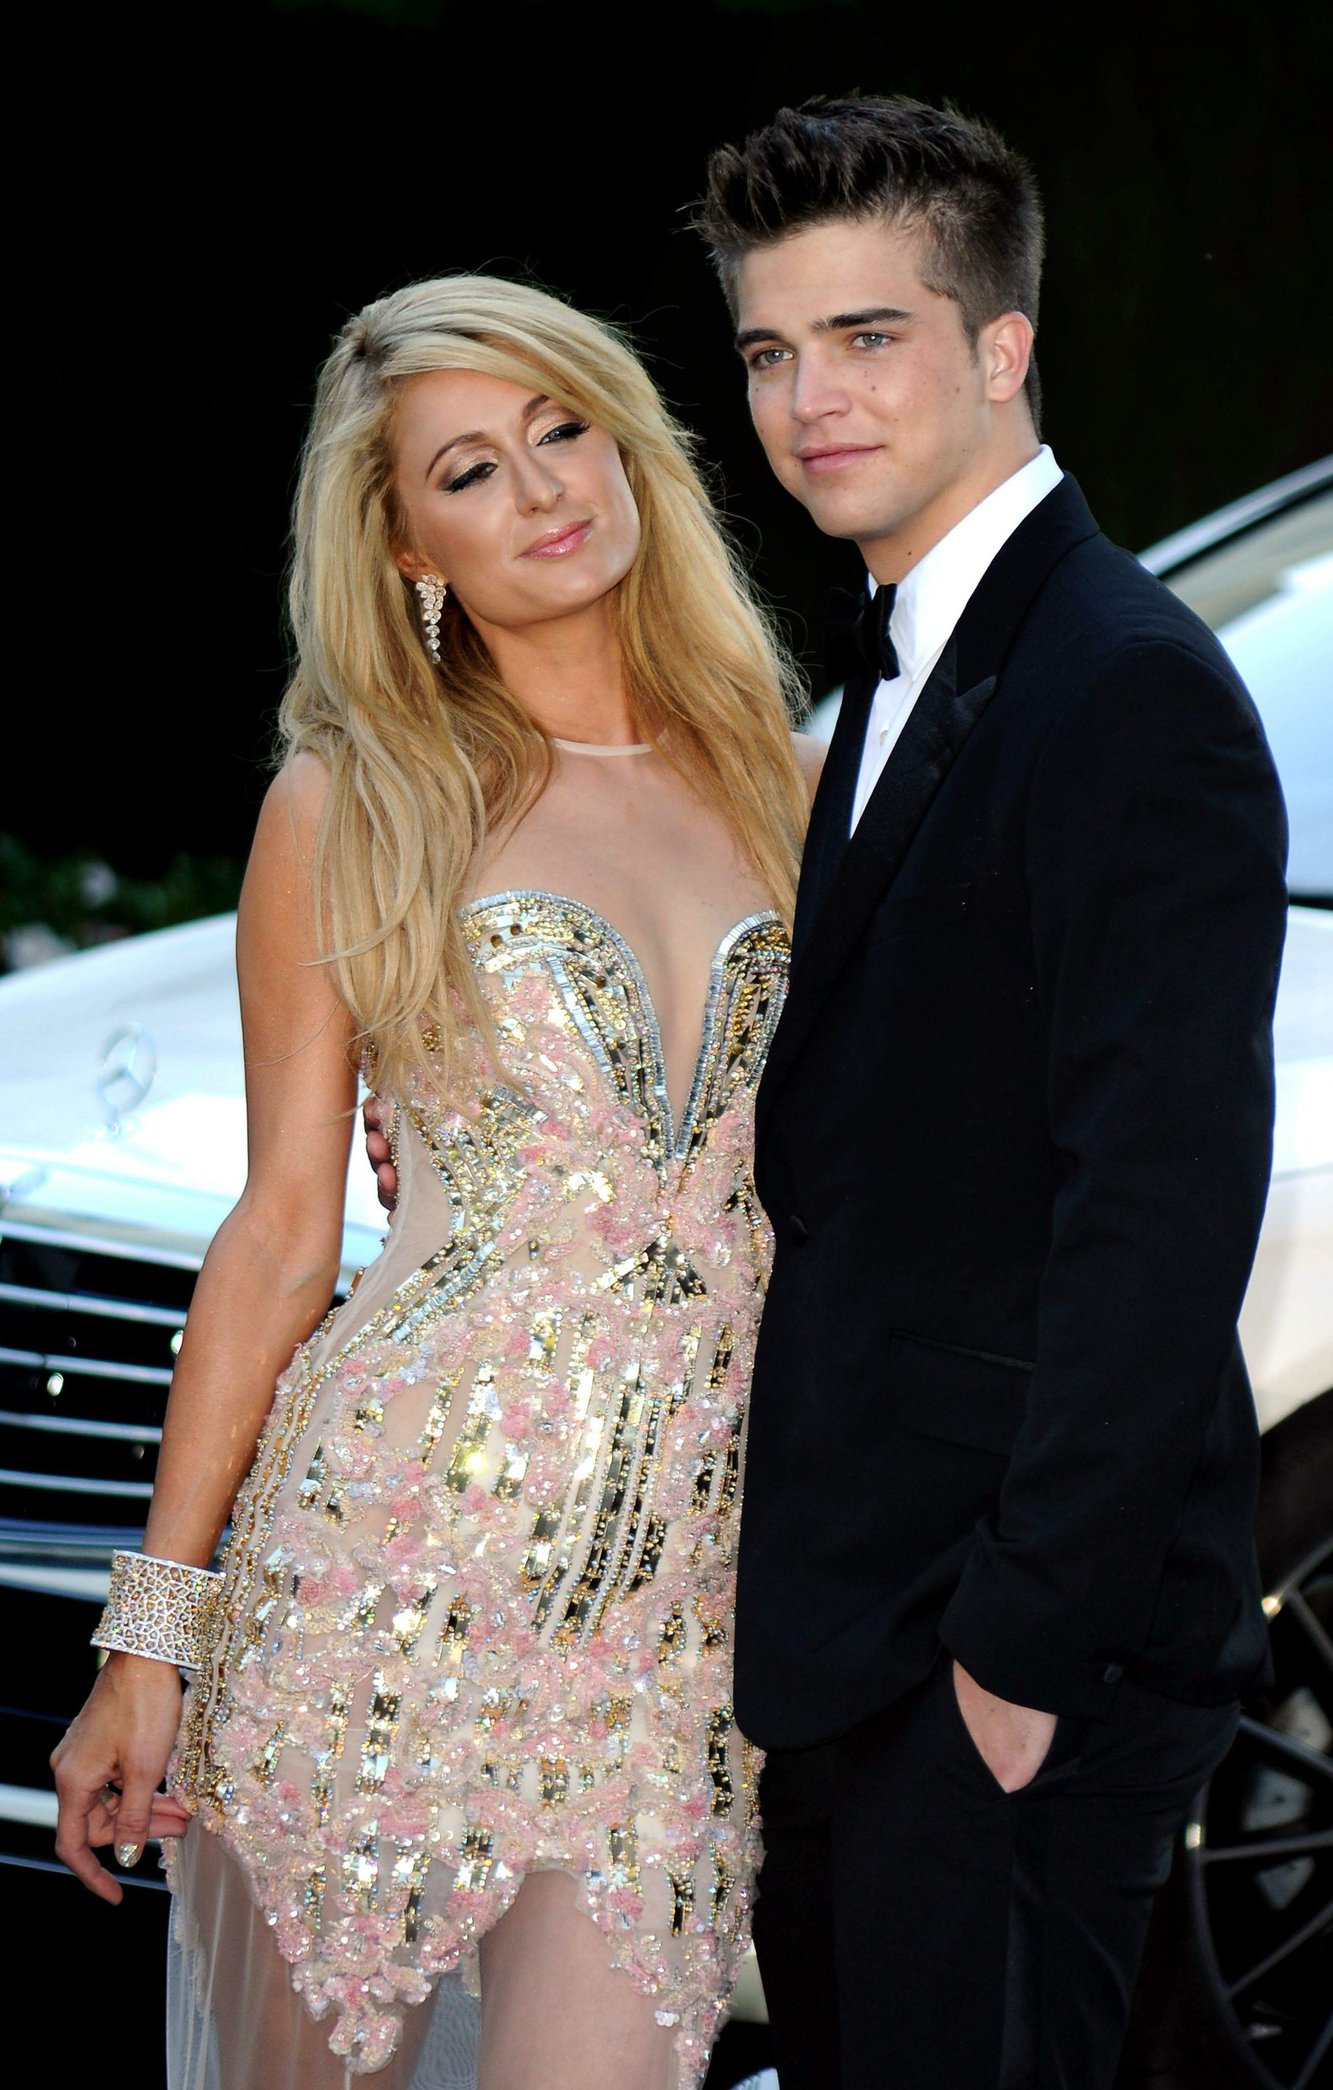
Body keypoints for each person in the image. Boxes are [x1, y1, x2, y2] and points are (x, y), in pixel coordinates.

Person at [50, 273, 818, 2089]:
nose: (543, 488)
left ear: (629, 441)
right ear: (408, 543)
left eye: (562, 427)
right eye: (470, 469)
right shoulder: (356, 798)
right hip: (376, 1584)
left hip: (672, 1629)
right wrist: (151, 1630)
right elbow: (280, 1232)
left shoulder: (799, 782)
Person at [690, 95, 1289, 2089]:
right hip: (859, 1630)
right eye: (771, 351)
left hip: (1009, 1657)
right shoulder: (886, 670)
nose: (806, 400)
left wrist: (1011, 1665)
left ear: (1001, 346)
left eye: (866, 337)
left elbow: (1159, 1208)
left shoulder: (1122, 688)